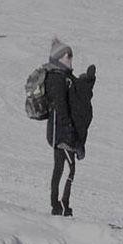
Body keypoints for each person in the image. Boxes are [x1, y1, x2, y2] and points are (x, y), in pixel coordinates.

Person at [40, 38, 96, 217]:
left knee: (63, 168)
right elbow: (62, 109)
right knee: (67, 169)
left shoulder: (65, 76)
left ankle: (60, 207)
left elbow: (79, 96)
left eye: (71, 55)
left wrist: (89, 81)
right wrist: (70, 131)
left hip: (65, 132)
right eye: (68, 56)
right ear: (59, 58)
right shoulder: (56, 79)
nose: (71, 59)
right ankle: (60, 206)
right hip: (62, 134)